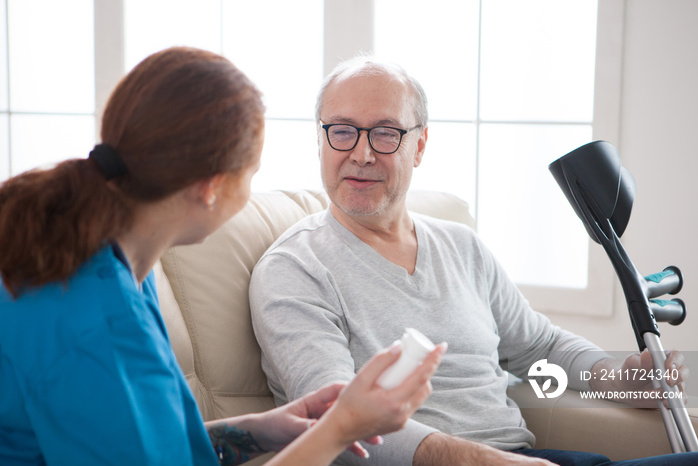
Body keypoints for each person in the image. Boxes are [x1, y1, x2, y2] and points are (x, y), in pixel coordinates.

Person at [0, 47, 446, 466]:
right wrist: (341, 427)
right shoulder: (100, 321)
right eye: (251, 174)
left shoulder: (115, 266)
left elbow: (142, 443)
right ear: (212, 186)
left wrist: (261, 430)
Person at [249, 56, 698, 466]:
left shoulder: (462, 246)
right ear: (321, 140)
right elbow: (338, 422)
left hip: (524, 456)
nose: (361, 153)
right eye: (342, 130)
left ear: (420, 146)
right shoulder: (295, 269)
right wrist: (482, 461)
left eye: (386, 133)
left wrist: (621, 379)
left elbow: (542, 348)